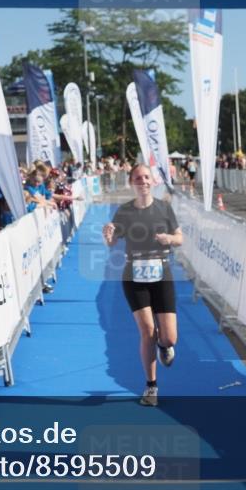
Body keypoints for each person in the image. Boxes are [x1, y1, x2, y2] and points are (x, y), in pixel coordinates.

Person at [101, 163, 183, 407]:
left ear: (153, 181)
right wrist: (108, 238)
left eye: (147, 177)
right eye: (138, 178)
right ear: (131, 182)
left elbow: (180, 237)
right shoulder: (124, 212)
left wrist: (170, 238)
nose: (143, 181)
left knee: (169, 338)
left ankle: (163, 346)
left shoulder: (164, 208)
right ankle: (151, 387)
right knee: (147, 331)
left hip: (162, 273)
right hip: (134, 275)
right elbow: (113, 241)